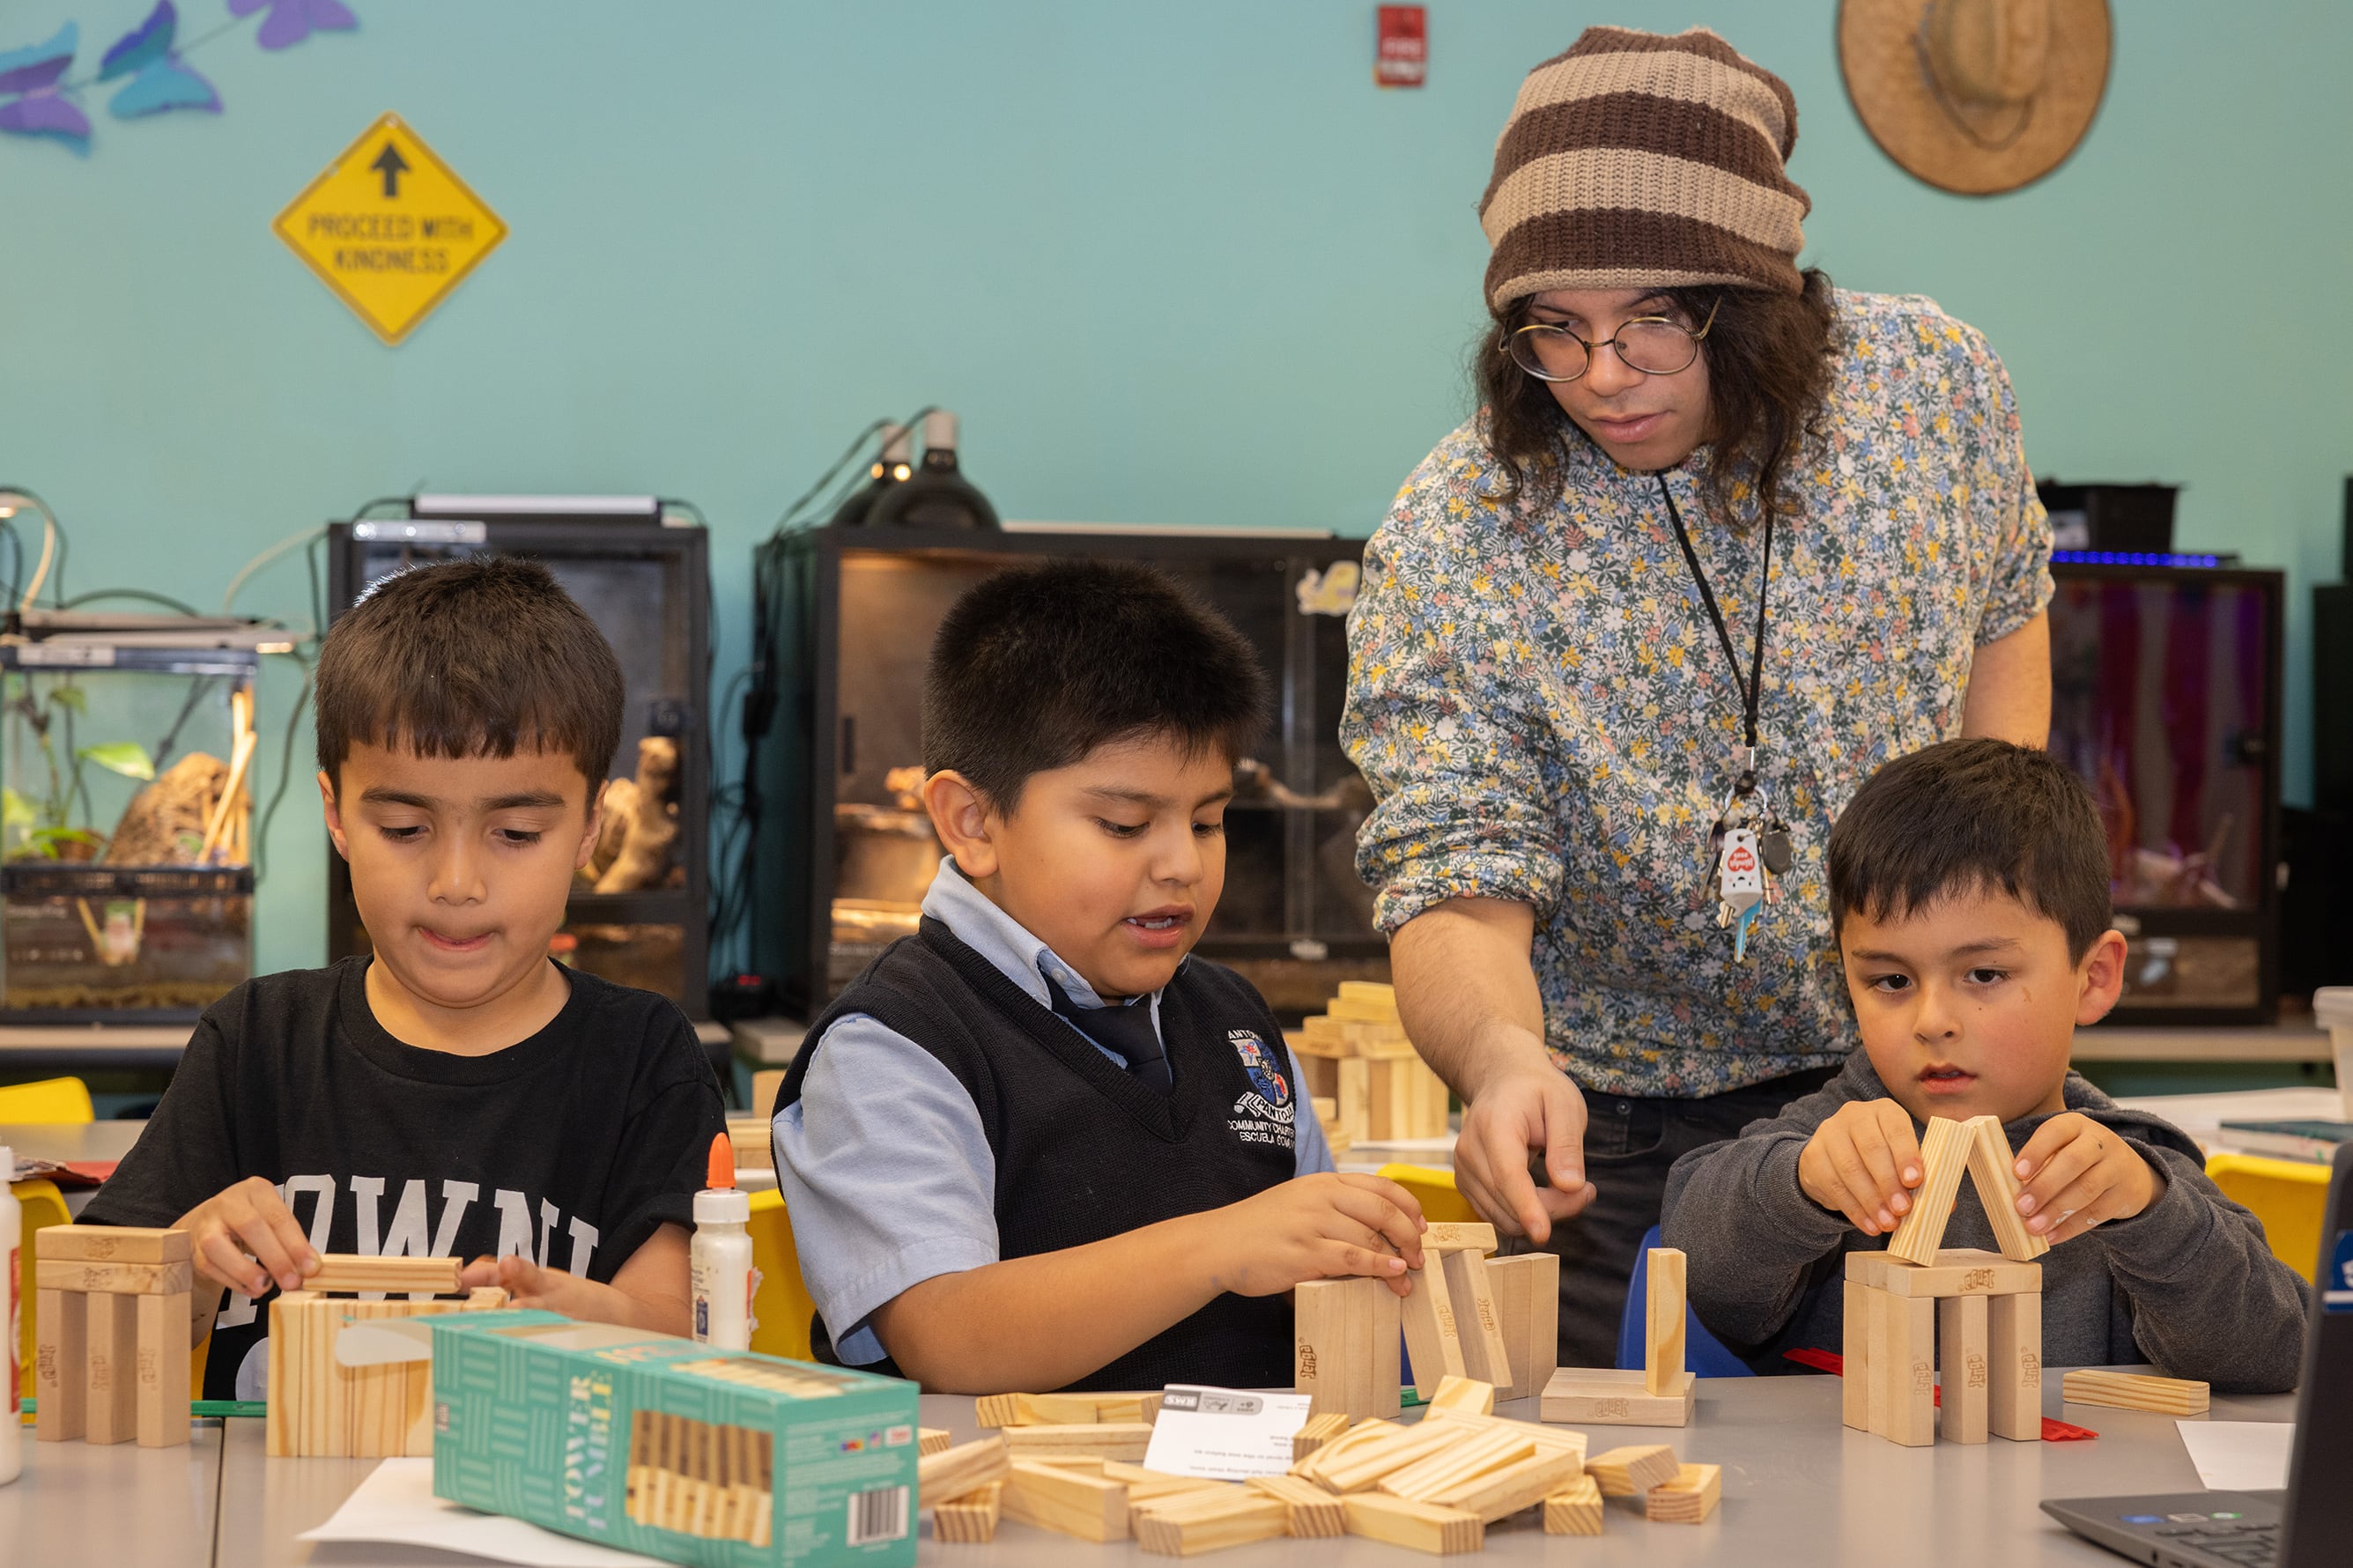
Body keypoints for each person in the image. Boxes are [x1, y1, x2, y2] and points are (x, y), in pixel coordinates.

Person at [1339, 24, 2056, 1365]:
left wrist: (1990, 905)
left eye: (1650, 325)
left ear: (1759, 301)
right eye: (1552, 329)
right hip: (1609, 1135)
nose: (1600, 377)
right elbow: (1450, 873)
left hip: (1911, 1085)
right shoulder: (1462, 527)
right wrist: (1500, 1060)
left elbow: (2005, 620)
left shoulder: (1931, 391)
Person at [773, 560, 1427, 1394]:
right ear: (972, 823)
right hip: (1010, 1514)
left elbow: (1316, 1281)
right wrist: (1220, 1246)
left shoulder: (1236, 1023)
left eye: (1209, 821)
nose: (1183, 864)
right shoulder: (896, 1047)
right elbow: (949, 1335)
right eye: (1124, 825)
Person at [78, 557, 727, 1399]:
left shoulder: (643, 1057)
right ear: (336, 815)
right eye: (405, 826)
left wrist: (579, 1319)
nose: (456, 881)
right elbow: (88, 1350)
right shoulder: (257, 1044)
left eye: (517, 833)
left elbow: (688, 1344)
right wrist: (191, 1265)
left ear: (590, 829)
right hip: (264, 1517)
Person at [1659, 739, 2305, 1386]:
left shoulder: (2130, 1169)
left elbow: (2278, 1352)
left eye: (1984, 973)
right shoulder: (1828, 1136)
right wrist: (1797, 1185)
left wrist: (2152, 1215)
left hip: (2067, 1486)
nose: (1932, 1019)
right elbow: (1697, 1269)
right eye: (1889, 980)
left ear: (2094, 977)